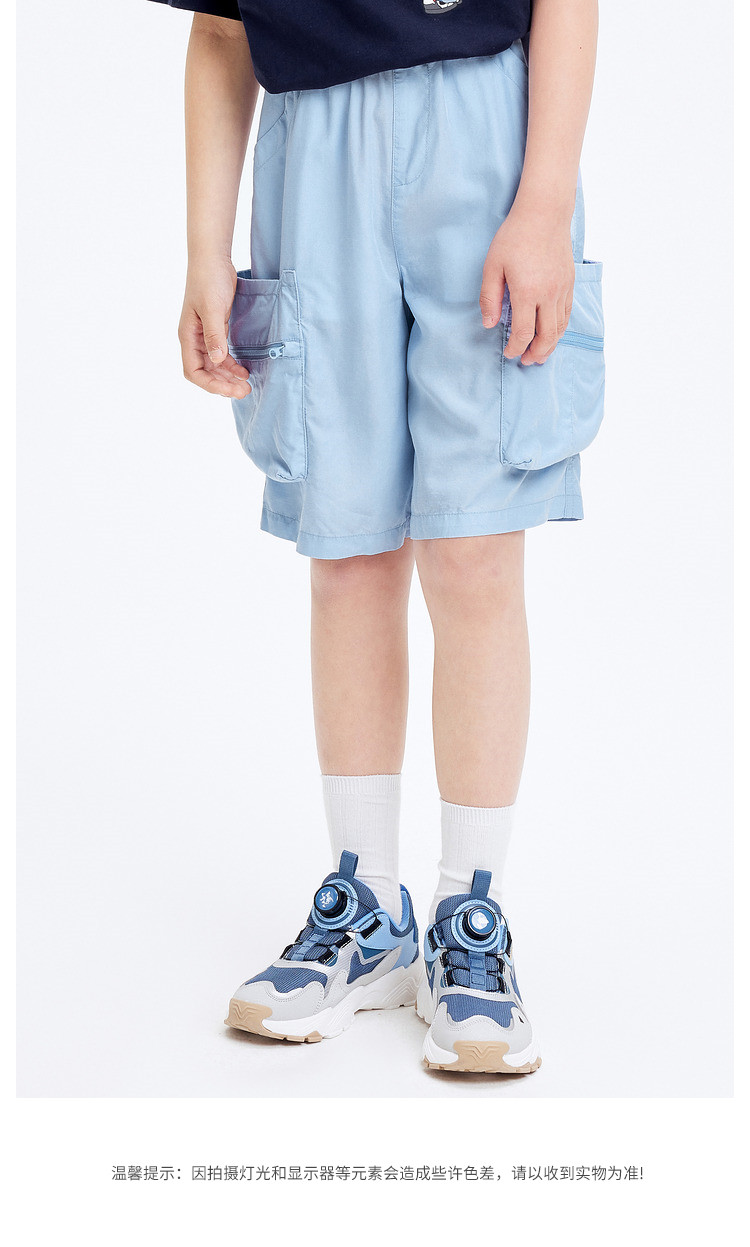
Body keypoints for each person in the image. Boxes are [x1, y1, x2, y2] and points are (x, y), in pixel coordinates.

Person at [148, 0, 604, 1074]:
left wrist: (544, 200)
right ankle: (367, 904)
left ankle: (469, 909)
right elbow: (219, 32)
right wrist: (205, 249)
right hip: (314, 154)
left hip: (485, 136)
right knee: (347, 551)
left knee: (476, 549)